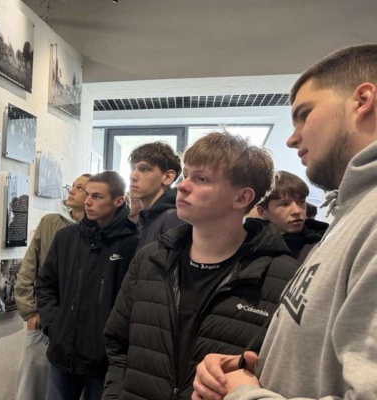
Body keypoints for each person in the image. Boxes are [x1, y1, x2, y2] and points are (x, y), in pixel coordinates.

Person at [193, 44, 377, 400]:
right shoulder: (352, 212)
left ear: (363, 100)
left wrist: (246, 396)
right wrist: (251, 370)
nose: (292, 139)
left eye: (305, 114)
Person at [103, 132, 298, 399]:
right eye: (185, 175)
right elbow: (117, 344)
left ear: (242, 198)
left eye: (201, 179)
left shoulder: (282, 277)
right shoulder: (150, 259)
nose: (182, 186)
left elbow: (284, 373)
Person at [37, 171, 139, 400]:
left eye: (97, 196)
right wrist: (54, 325)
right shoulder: (66, 238)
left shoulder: (133, 243)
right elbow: (45, 284)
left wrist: (117, 342)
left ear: (118, 201)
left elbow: (134, 301)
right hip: (63, 352)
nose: (88, 201)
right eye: (88, 194)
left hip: (104, 359)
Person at [14, 173, 91, 400]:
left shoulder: (95, 231)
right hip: (43, 321)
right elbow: (28, 268)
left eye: (80, 187)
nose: (72, 190)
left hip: (74, 327)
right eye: (73, 185)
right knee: (30, 386)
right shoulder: (50, 222)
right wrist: (30, 311)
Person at [256, 171, 328, 263]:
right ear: (262, 212)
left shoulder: (323, 244)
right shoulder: (249, 250)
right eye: (285, 204)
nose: (297, 211)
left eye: (301, 202)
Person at [128, 141, 186, 248]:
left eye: (143, 169)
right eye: (132, 168)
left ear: (167, 177)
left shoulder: (173, 219)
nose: (132, 176)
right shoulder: (145, 218)